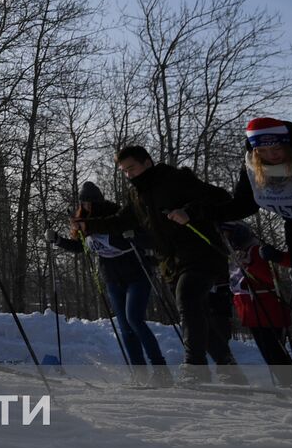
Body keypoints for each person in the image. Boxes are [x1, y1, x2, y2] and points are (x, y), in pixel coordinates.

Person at [79, 145, 245, 384]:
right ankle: (227, 365)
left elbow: (221, 197)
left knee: (187, 297)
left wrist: (189, 212)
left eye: (132, 168)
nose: (129, 175)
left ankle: (195, 368)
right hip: (171, 261)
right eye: (124, 171)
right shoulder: (136, 195)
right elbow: (121, 220)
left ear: (147, 162)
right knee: (196, 312)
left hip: (201, 253)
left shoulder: (175, 179)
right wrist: (88, 226)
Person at [210, 117, 292, 398]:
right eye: (264, 152)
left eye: (277, 148)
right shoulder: (252, 168)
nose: (272, 155)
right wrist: (205, 213)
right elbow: (242, 204)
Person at [47, 181, 170, 380]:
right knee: (126, 329)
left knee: (135, 320)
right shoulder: (82, 220)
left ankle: (160, 370)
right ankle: (139, 373)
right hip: (113, 280)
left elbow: (144, 236)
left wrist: (132, 236)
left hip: (136, 275)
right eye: (84, 202)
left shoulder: (116, 215)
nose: (86, 206)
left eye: (90, 202)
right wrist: (58, 240)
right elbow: (81, 248)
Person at [219, 221, 292, 386]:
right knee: (268, 351)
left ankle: (288, 382)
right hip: (251, 311)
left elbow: (271, 279)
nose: (223, 239)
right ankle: (286, 383)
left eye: (225, 235)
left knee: (274, 350)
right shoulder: (234, 255)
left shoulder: (255, 251)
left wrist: (250, 266)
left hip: (267, 308)